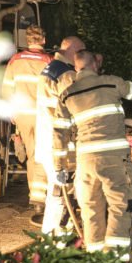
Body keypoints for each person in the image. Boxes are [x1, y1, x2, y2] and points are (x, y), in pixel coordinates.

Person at [52, 50, 132, 261]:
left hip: (86, 164)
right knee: (120, 206)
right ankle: (115, 261)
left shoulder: (67, 95)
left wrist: (60, 166)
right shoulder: (110, 83)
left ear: (76, 68)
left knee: (90, 211)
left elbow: (59, 132)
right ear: (95, 64)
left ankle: (96, 261)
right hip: (114, 161)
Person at [1, 25, 53, 225]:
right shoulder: (48, 61)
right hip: (43, 115)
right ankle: (40, 199)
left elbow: (7, 88)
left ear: (27, 40)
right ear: (43, 40)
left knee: (32, 155)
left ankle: (37, 197)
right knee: (41, 155)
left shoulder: (15, 60)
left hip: (22, 116)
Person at [36, 36, 85, 235]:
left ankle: (55, 237)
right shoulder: (66, 74)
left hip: (48, 140)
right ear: (72, 51)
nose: (82, 57)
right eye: (81, 52)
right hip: (60, 145)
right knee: (60, 193)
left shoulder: (50, 69)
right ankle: (53, 239)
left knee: (57, 192)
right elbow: (74, 107)